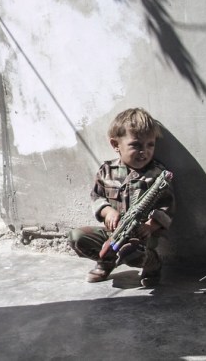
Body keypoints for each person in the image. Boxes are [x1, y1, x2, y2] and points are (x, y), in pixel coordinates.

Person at [67, 108, 175, 287]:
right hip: (111, 233)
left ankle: (152, 264)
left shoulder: (158, 175)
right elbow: (96, 195)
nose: (144, 151)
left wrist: (150, 226)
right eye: (136, 145)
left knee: (131, 252)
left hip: (140, 238)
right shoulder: (107, 171)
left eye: (150, 145)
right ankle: (107, 261)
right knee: (77, 237)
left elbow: (167, 206)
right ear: (116, 145)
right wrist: (107, 211)